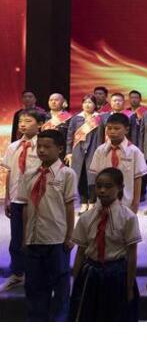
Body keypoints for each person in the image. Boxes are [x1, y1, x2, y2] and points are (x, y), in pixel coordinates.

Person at [69, 167, 140, 321]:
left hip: (117, 274)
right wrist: (76, 281)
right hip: (91, 274)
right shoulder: (87, 217)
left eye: (108, 186)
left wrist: (129, 287)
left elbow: (132, 254)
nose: (102, 190)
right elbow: (80, 252)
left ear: (120, 188)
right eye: (99, 186)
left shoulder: (128, 217)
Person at [21, 129, 76, 321]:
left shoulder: (67, 174)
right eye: (39, 147)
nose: (42, 150)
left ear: (60, 149)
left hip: (56, 240)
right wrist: (24, 236)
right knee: (34, 287)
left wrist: (69, 236)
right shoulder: (29, 174)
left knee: (60, 287)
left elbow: (69, 207)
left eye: (47, 147)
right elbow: (26, 206)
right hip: (33, 238)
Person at [0, 109, 43, 292]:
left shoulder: (43, 146)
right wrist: (8, 198)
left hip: (37, 201)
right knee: (17, 239)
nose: (23, 124)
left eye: (28, 121)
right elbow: (10, 172)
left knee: (36, 239)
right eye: (20, 121)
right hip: (17, 200)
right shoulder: (14, 147)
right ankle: (17, 274)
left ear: (40, 124)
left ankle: (36, 276)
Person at [89, 113, 147, 214]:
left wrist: (135, 204)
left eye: (117, 128)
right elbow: (97, 177)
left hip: (126, 203)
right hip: (103, 202)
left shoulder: (134, 152)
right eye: (109, 128)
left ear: (126, 130)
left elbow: (137, 179)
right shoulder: (100, 151)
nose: (112, 131)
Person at [66, 94, 104, 215]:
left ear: (95, 105)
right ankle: (83, 203)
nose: (87, 105)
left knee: (92, 177)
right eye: (85, 102)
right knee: (80, 177)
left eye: (90, 102)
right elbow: (70, 136)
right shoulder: (76, 119)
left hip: (94, 149)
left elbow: (102, 137)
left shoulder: (99, 118)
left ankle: (92, 202)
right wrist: (69, 152)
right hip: (78, 151)